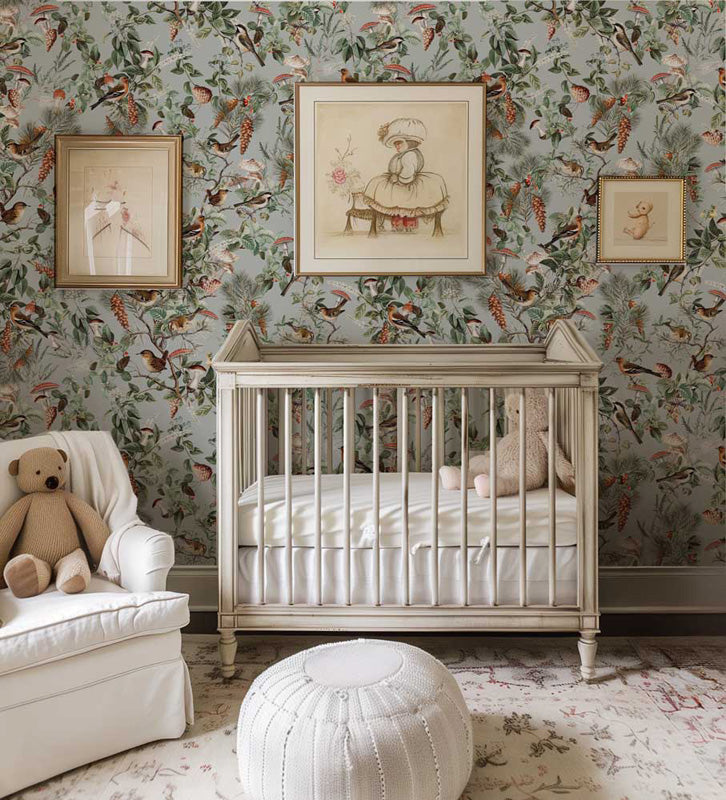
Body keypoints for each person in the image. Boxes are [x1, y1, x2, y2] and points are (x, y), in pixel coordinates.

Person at [363, 118, 448, 234]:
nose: (397, 147)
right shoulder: (404, 154)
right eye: (395, 144)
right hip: (400, 179)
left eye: (399, 143)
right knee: (382, 189)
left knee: (400, 201)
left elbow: (408, 171)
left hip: (406, 182)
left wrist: (398, 179)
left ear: (410, 142)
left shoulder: (410, 155)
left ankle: (405, 225)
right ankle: (397, 225)